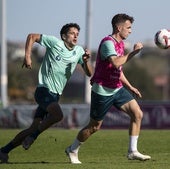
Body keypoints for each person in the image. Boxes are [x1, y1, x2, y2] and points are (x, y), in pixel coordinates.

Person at [0, 23, 93, 163]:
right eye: (72, 33)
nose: (75, 36)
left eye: (77, 34)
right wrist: (27, 56)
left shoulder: (79, 51)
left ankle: (4, 151)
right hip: (43, 90)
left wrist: (86, 61)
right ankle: (33, 137)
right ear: (63, 36)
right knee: (58, 115)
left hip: (55, 95)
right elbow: (32, 36)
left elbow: (89, 73)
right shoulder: (55, 43)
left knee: (32, 128)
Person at [65, 13, 151, 164]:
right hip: (102, 91)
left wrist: (130, 86)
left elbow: (118, 70)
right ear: (119, 28)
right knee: (94, 127)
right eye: (128, 27)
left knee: (137, 114)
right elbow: (117, 62)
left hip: (117, 89)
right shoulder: (107, 43)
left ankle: (132, 151)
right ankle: (72, 149)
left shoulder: (121, 44)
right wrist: (134, 53)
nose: (130, 31)